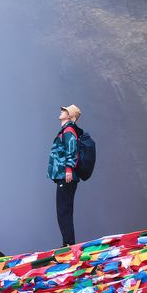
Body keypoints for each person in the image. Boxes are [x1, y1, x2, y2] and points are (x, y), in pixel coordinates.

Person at [47, 104, 83, 247]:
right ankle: (68, 243)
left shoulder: (68, 130)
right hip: (64, 175)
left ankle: (68, 244)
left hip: (66, 176)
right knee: (65, 210)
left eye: (64, 110)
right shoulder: (67, 130)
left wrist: (68, 169)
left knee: (63, 211)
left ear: (70, 116)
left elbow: (71, 149)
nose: (61, 112)